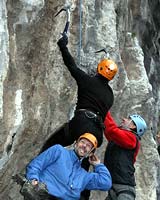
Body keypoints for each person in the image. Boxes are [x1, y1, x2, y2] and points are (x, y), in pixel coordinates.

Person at [42, 33, 118, 152]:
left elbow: (71, 66)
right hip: (97, 133)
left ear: (100, 68)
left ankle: (38, 168)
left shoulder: (87, 81)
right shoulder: (110, 96)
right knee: (83, 160)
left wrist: (63, 46)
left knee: (51, 144)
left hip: (81, 122)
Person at [25, 133, 112, 200]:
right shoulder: (58, 151)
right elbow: (36, 165)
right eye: (82, 142)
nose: (84, 146)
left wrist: (98, 165)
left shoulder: (84, 176)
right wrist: (33, 180)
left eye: (89, 146)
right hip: (43, 195)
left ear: (90, 153)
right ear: (76, 143)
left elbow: (106, 183)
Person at [103, 111, 147, 200]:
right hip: (114, 187)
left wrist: (104, 109)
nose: (124, 119)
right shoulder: (120, 140)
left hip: (124, 190)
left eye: (129, 119)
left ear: (133, 126)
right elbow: (109, 131)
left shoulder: (132, 138)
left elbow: (111, 130)